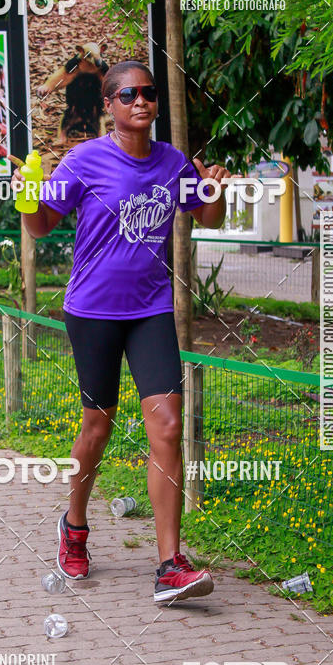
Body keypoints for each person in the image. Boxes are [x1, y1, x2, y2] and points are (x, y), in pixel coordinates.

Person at [14, 60, 228, 602]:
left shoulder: (172, 161)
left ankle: (170, 564)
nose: (141, 101)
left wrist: (212, 191)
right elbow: (41, 226)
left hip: (151, 310)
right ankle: (75, 526)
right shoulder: (84, 160)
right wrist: (27, 195)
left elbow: (208, 218)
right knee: (98, 427)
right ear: (109, 105)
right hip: (91, 311)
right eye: (129, 94)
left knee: (169, 425)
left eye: (149, 93)